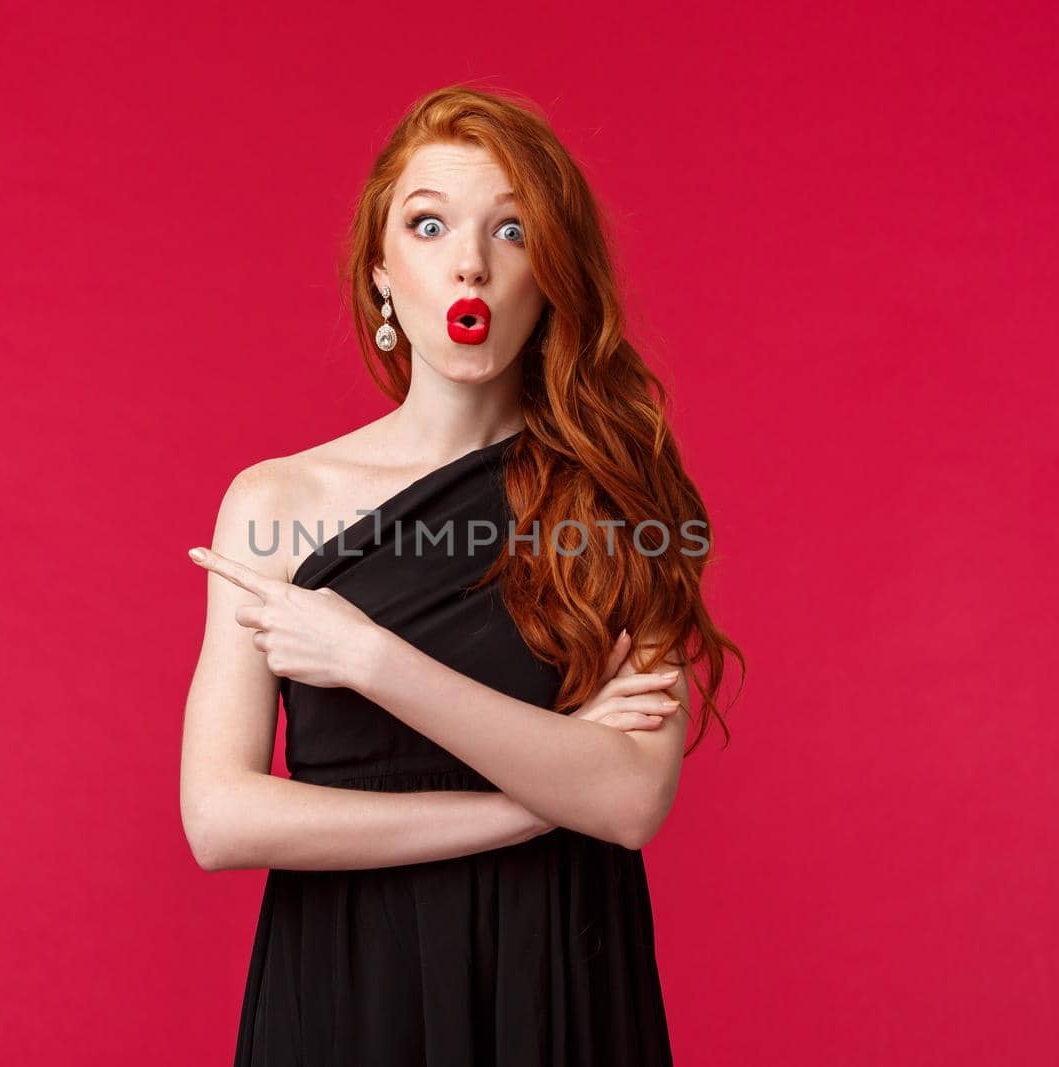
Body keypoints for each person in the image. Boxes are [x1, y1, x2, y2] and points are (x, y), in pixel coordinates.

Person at [180, 84, 744, 1067]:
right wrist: (526, 804)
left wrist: (366, 655)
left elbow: (625, 801)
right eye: (429, 223)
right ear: (382, 273)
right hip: (351, 977)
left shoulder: (621, 495)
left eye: (511, 228)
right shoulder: (271, 499)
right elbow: (220, 815)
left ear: (553, 272)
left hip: (555, 968)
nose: (469, 263)